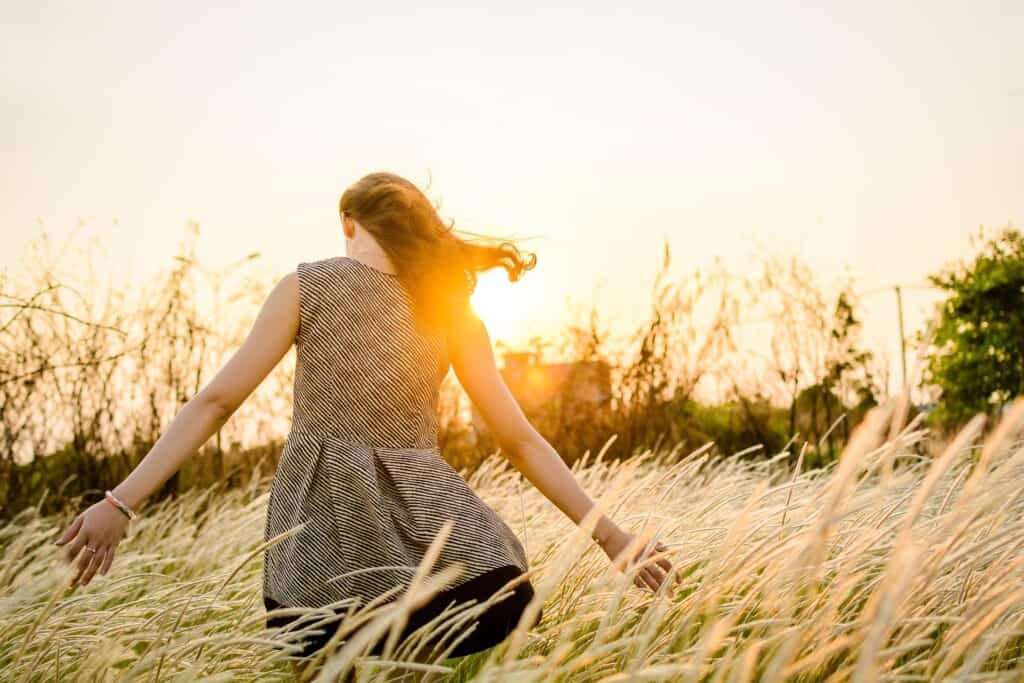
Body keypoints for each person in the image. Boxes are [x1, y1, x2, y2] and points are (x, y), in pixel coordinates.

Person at [54, 171, 679, 677]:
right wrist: (613, 539)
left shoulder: (308, 285)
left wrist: (122, 501)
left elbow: (216, 404)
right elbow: (520, 440)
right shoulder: (450, 312)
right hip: (425, 532)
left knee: (328, 668)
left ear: (349, 222)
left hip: (319, 528)